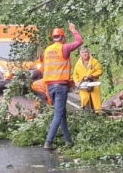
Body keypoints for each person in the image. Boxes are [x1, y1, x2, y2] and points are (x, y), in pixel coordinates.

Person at [41, 22, 83, 150]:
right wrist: (73, 29)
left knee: (62, 113)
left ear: (53, 38)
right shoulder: (63, 48)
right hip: (60, 86)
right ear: (63, 38)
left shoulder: (47, 50)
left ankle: (68, 140)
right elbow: (79, 41)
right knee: (58, 115)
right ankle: (48, 142)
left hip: (50, 86)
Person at [72, 47, 104, 113]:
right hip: (83, 85)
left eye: (86, 52)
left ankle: (98, 113)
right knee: (84, 99)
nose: (85, 54)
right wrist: (77, 82)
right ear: (80, 54)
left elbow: (100, 71)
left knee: (96, 100)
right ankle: (86, 112)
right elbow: (75, 74)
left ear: (88, 53)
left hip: (94, 83)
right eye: (83, 53)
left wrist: (92, 75)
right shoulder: (77, 64)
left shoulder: (94, 61)